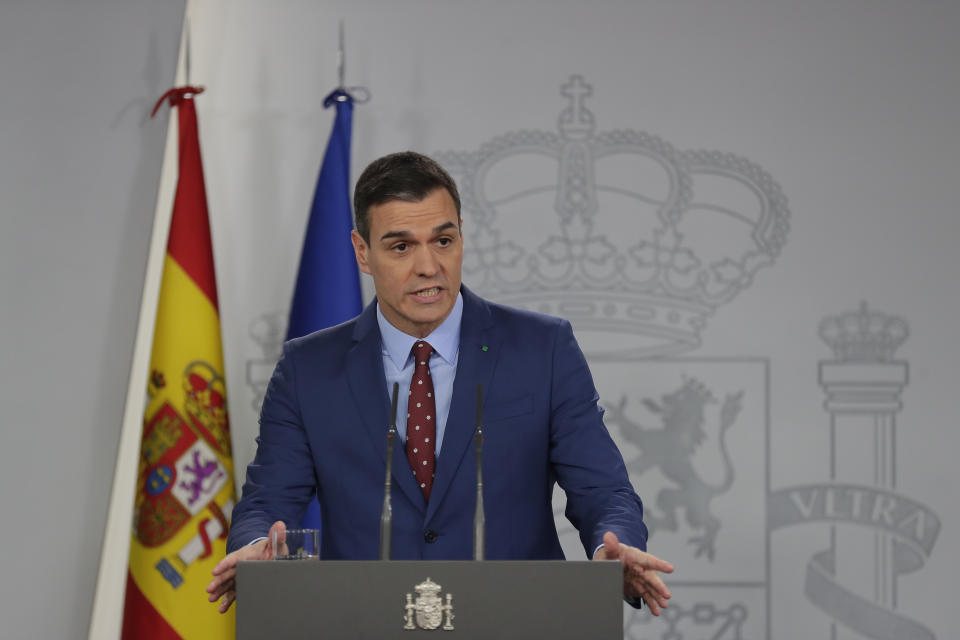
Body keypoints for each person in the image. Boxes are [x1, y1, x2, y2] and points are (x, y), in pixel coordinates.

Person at [207, 151, 673, 614]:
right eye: (401, 246)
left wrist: (613, 548)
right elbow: (270, 500)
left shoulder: (542, 349)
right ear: (362, 253)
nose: (429, 266)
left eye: (443, 241)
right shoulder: (308, 369)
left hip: (514, 620)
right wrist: (255, 548)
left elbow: (603, 489)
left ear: (462, 238)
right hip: (365, 622)